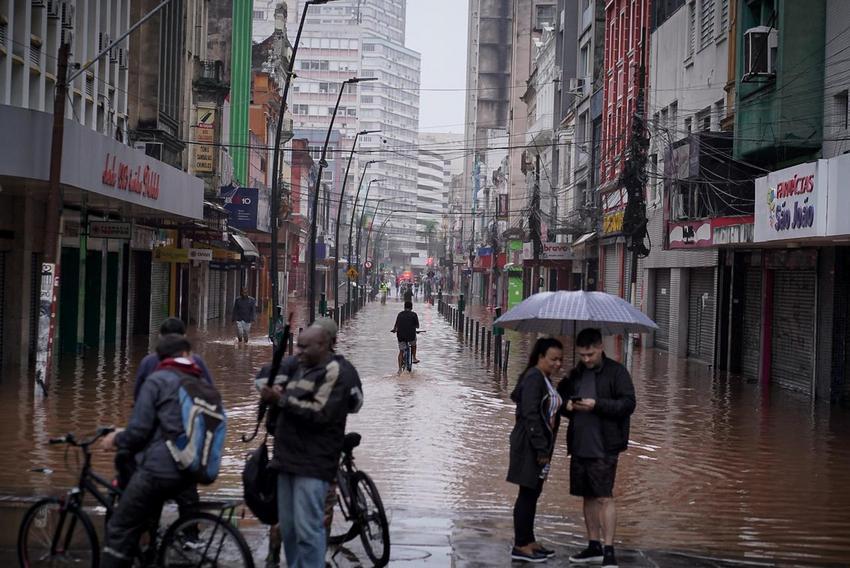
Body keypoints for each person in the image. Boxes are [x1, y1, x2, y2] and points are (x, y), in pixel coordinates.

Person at [258, 324, 363, 568]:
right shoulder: (298, 367)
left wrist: (281, 400)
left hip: (313, 463)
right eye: (298, 345)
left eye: (306, 346)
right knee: (291, 528)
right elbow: (266, 377)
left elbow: (322, 413)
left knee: (308, 529)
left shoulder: (338, 371)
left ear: (325, 345)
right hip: (286, 459)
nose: (299, 350)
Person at [99, 334, 204, 567]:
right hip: (193, 466)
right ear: (185, 354)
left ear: (160, 357)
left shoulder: (157, 380)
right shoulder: (198, 381)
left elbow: (138, 432)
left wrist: (115, 440)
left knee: (119, 526)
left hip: (161, 470)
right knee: (150, 513)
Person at [558, 328, 636, 568]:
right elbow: (559, 400)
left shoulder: (617, 372)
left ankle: (609, 549)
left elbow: (628, 404)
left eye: (590, 354)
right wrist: (568, 406)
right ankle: (593, 545)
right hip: (580, 444)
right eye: (582, 355)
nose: (587, 359)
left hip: (605, 445)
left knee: (604, 496)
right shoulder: (575, 374)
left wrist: (597, 405)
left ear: (601, 347)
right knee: (587, 496)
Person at [506, 337, 564, 563]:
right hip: (530, 446)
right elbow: (530, 414)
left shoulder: (544, 378)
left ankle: (529, 540)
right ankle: (521, 545)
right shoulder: (533, 378)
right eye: (553, 359)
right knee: (527, 494)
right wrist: (541, 449)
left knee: (533, 493)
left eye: (560, 359)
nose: (557, 363)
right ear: (540, 357)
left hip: (540, 446)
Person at [134, 317, 213, 400]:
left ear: (160, 336)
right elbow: (210, 391)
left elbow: (138, 395)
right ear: (184, 336)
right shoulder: (196, 361)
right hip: (188, 411)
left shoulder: (148, 361)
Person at [391, 301, 420, 371]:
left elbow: (396, 325)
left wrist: (394, 330)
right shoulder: (414, 314)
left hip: (401, 336)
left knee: (401, 351)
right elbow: (417, 326)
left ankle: (399, 369)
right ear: (411, 307)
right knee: (414, 344)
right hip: (411, 335)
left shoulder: (400, 314)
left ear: (404, 307)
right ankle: (414, 357)